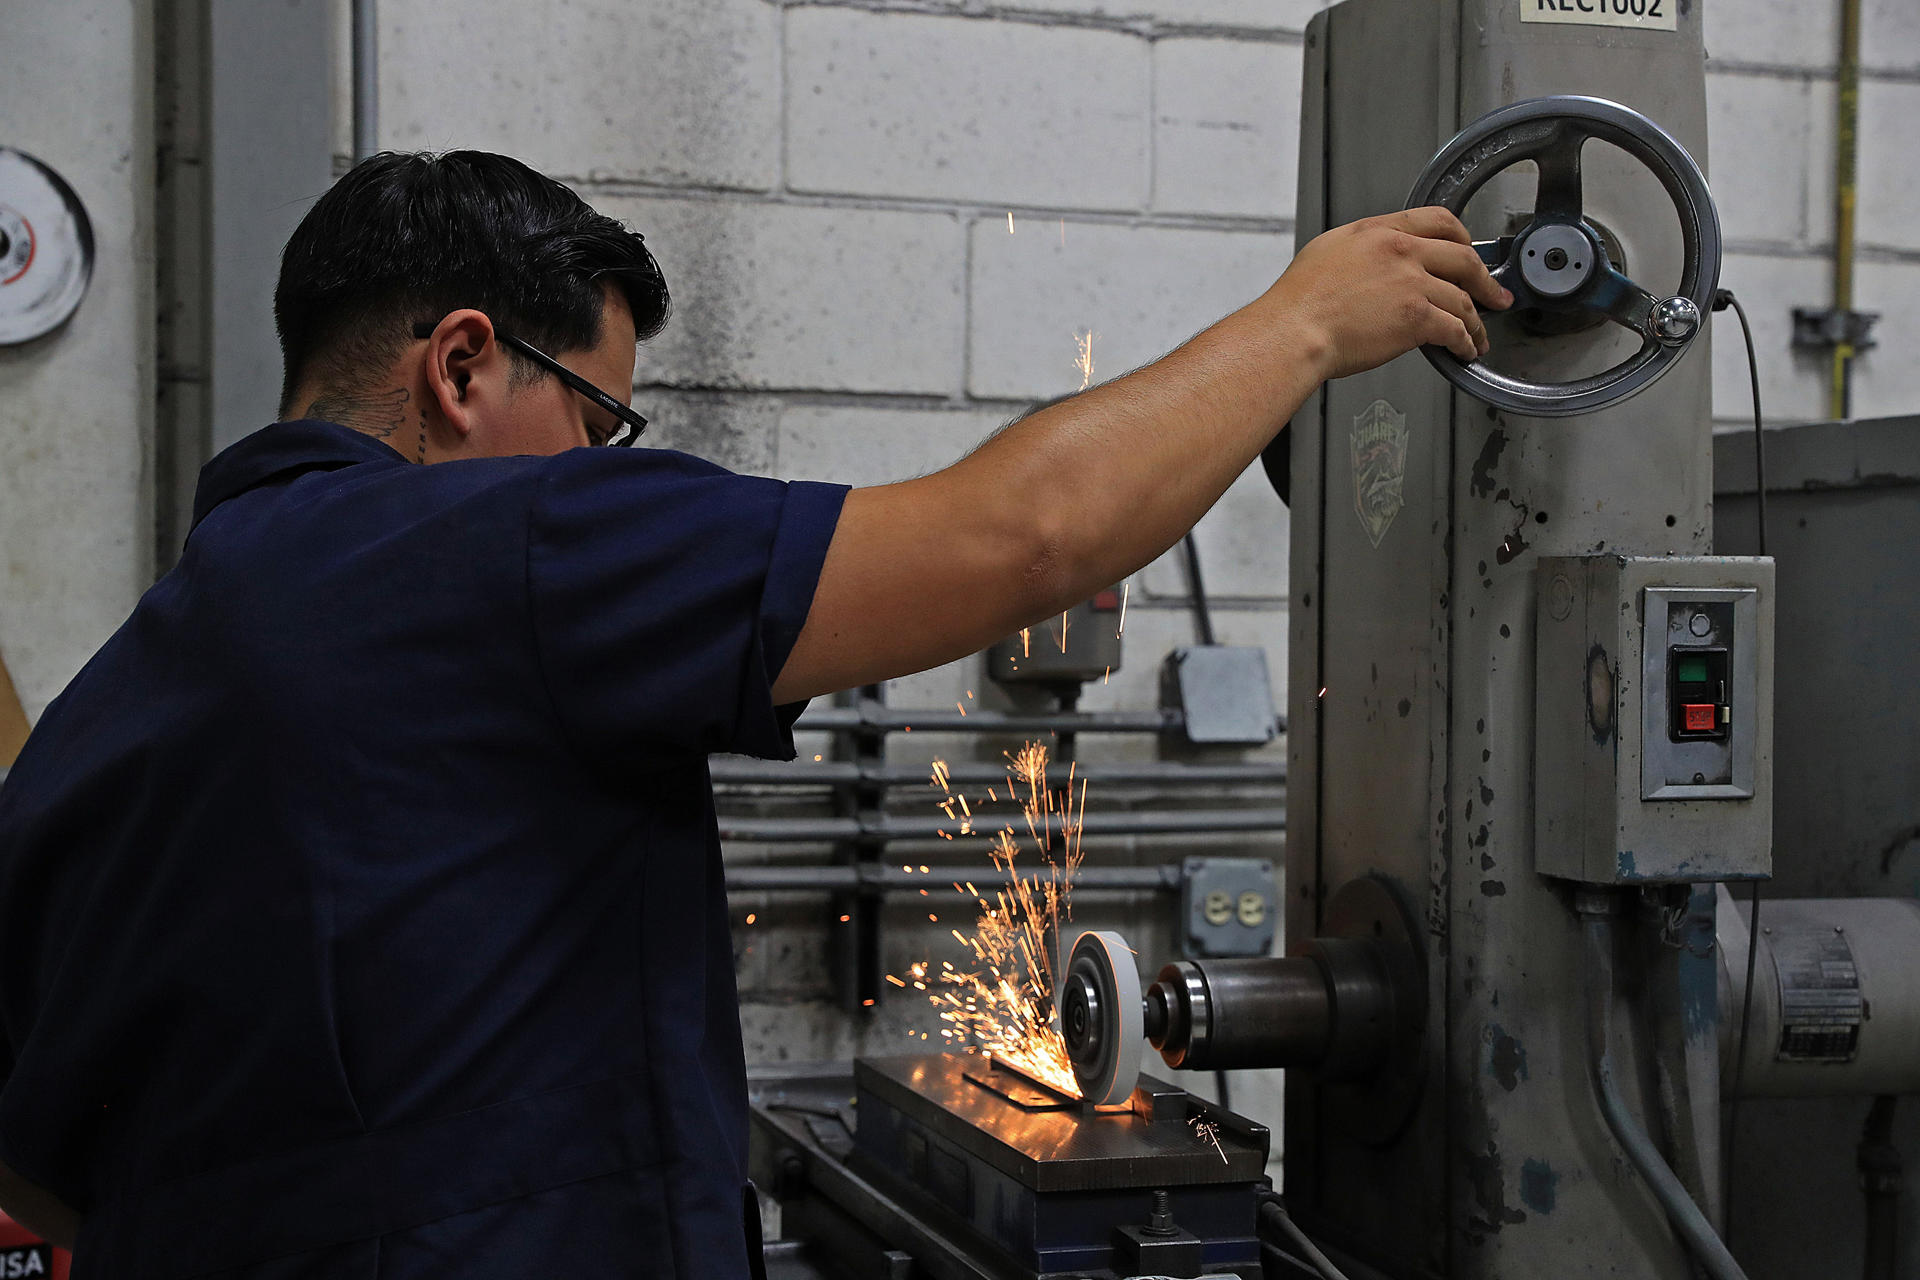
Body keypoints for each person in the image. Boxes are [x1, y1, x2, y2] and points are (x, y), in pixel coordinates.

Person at [0, 150, 1506, 1278]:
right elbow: (1029, 537)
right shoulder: (509, 547)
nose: (597, 464)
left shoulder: (130, 689)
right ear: (461, 364)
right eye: (595, 422)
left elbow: (44, 1165)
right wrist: (1310, 321)